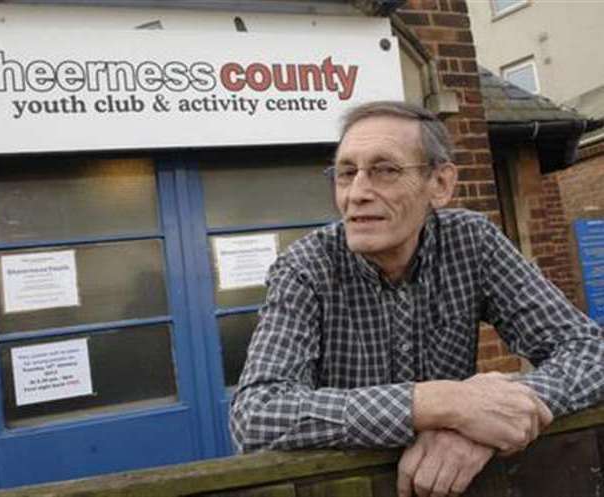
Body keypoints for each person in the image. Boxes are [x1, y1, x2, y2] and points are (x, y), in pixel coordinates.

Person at [229, 101, 604, 497]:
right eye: (345, 173)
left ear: (440, 185)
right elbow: (257, 415)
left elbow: (589, 351)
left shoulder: (472, 242)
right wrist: (442, 402)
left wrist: (494, 418)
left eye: (385, 170)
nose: (357, 193)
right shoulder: (304, 268)